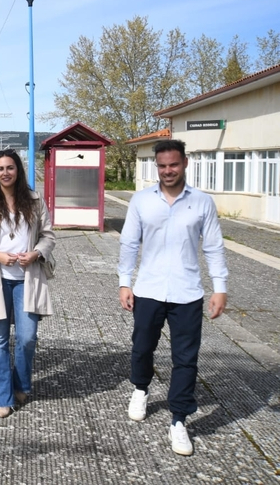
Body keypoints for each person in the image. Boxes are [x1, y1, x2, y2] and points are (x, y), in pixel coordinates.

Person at [119, 139, 228, 456]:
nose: (168, 171)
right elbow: (129, 243)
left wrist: (219, 287)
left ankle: (179, 419)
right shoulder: (141, 201)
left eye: (173, 164)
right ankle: (140, 388)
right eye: (162, 165)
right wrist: (125, 283)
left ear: (184, 163)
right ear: (157, 166)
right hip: (148, 290)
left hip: (187, 292)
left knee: (186, 359)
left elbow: (214, 247)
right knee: (142, 347)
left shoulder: (203, 203)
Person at [0, 148, 55, 419]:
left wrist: (36, 253)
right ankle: (3, 396)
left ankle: (22, 384)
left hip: (27, 280)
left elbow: (48, 236)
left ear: (18, 170)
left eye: (10, 168)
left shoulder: (35, 201)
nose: (6, 173)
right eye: (1, 169)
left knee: (27, 338)